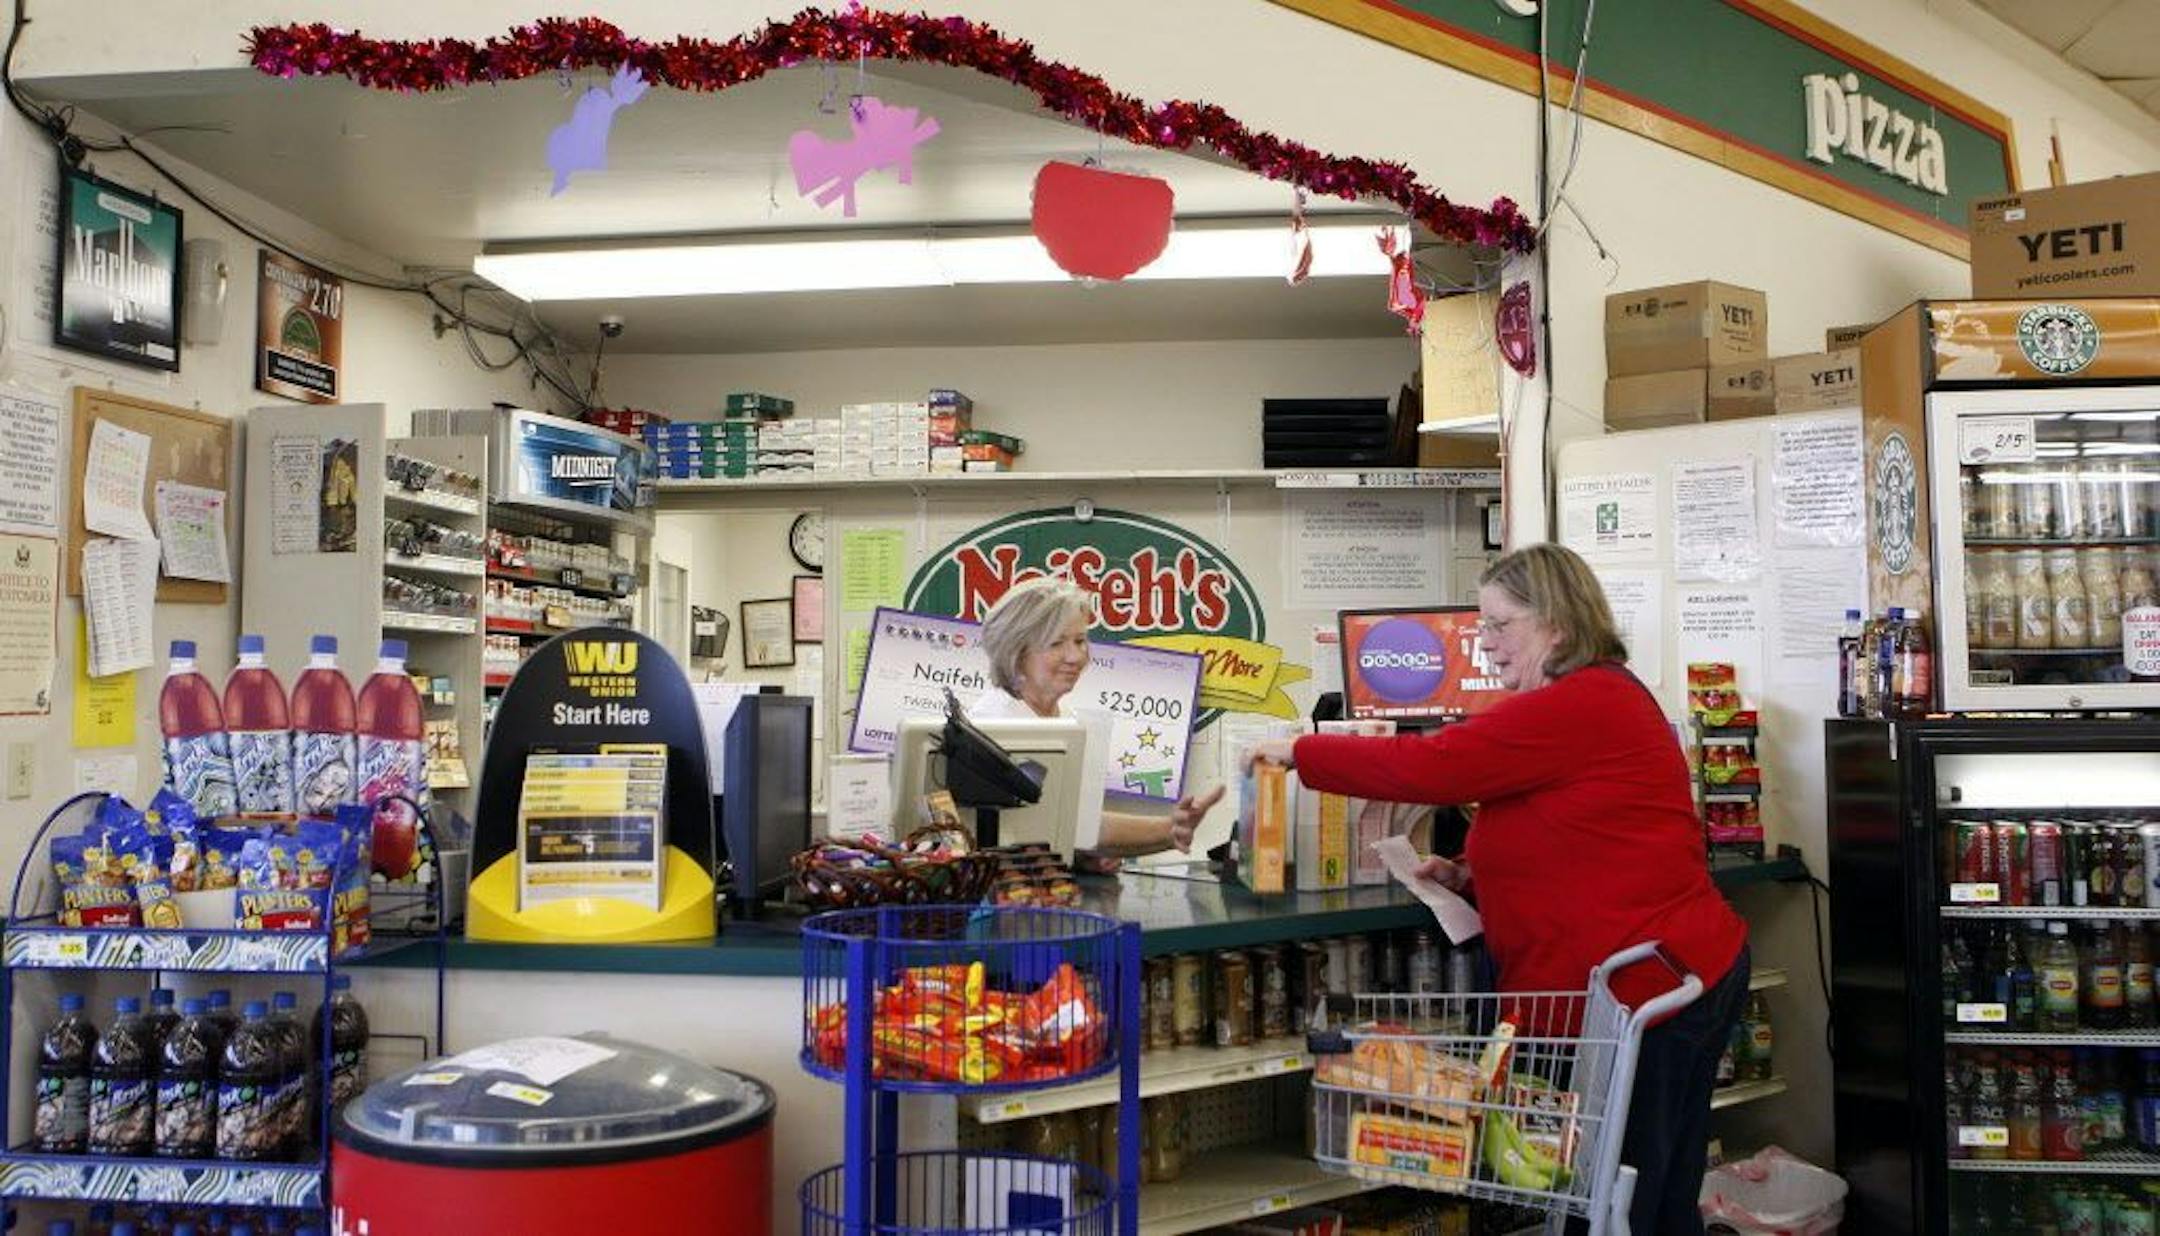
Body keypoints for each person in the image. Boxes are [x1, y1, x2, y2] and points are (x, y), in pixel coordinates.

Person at [1250, 543, 1747, 1235]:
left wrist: (1299, 753)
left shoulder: (1584, 699)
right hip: (1663, 976)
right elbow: (1562, 824)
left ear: (1559, 627)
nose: (1484, 645)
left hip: (1649, 989)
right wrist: (1470, 875)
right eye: (1481, 627)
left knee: (1619, 1195)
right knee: (1643, 1192)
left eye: (1498, 625)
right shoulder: (1583, 700)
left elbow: (1439, 765)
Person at [974, 577, 1224, 857]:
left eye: (1080, 641)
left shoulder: (1063, 718)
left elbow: (1071, 829)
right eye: (1056, 643)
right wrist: (1168, 829)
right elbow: (1071, 825)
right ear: (1016, 653)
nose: (1075, 656)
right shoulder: (996, 725)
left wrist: (1085, 856)